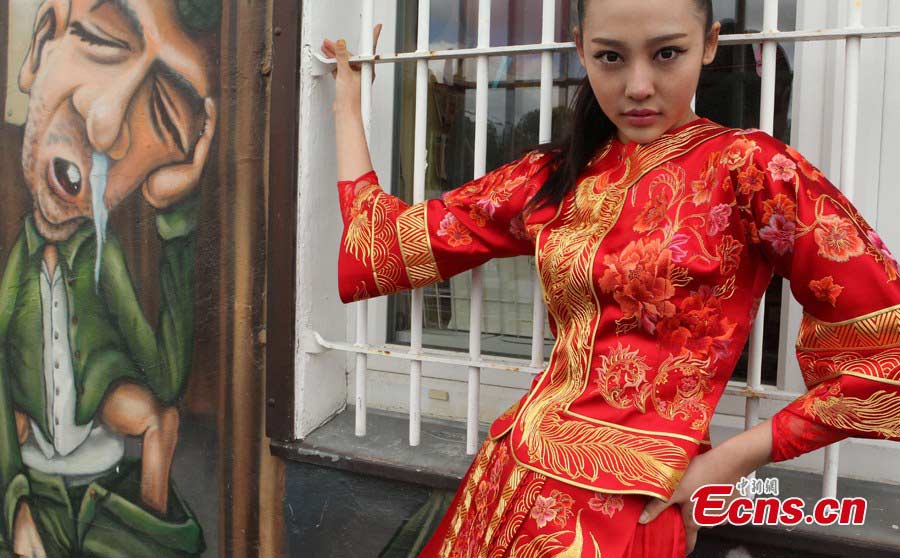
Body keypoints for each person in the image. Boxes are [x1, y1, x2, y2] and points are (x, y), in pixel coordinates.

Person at [324, 0, 900, 555]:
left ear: (710, 44)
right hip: (506, 482)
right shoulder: (555, 177)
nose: (639, 86)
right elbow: (387, 247)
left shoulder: (750, 170)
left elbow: (887, 354)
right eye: (611, 57)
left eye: (667, 53)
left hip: (628, 511)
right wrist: (347, 105)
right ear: (581, 50)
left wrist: (723, 466)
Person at [0, 1, 218, 556]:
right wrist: (15, 503)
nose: (104, 126)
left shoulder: (102, 255)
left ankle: (139, 524)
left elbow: (164, 378)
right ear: (40, 43)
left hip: (98, 475)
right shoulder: (18, 263)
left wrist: (178, 219)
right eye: (103, 42)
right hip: (34, 478)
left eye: (163, 117)